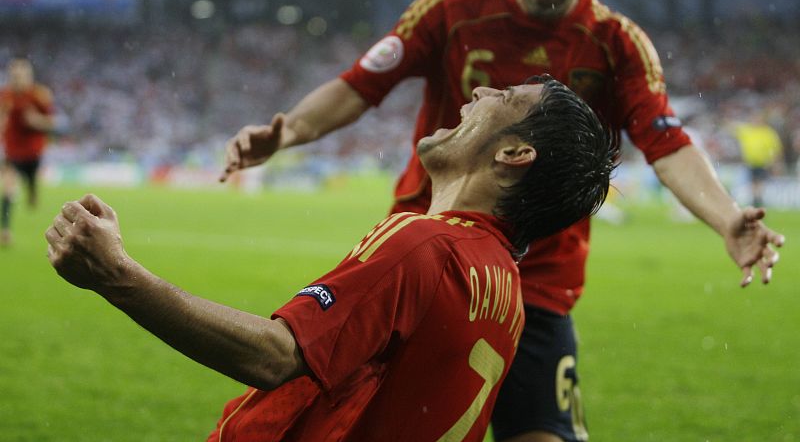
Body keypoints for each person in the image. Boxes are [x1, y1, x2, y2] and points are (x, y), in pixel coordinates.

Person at [220, 0, 786, 440]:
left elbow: (664, 141)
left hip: (534, 283)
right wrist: (290, 130)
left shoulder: (616, 43)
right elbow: (362, 84)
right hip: (424, 264)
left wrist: (726, 217)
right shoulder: (452, 9)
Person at [47, 78, 617, 441]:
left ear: (515, 153)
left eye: (505, 98)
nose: (479, 94)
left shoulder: (424, 244)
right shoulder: (507, 291)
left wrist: (116, 274)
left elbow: (275, 356)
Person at [0, 57, 55, 246]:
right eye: (13, 75)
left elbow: (51, 123)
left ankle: (32, 189)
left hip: (33, 153)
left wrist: (35, 120)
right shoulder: (4, 95)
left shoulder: (39, 95)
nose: (16, 79)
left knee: (31, 190)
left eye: (20, 75)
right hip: (12, 152)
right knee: (8, 188)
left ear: (28, 76)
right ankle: (5, 231)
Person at [733, 112, 784, 207]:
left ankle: (757, 200)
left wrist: (774, 162)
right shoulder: (747, 131)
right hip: (750, 162)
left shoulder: (768, 132)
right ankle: (756, 199)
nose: (755, 121)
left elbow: (776, 148)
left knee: (758, 181)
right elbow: (735, 128)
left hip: (763, 162)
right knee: (753, 181)